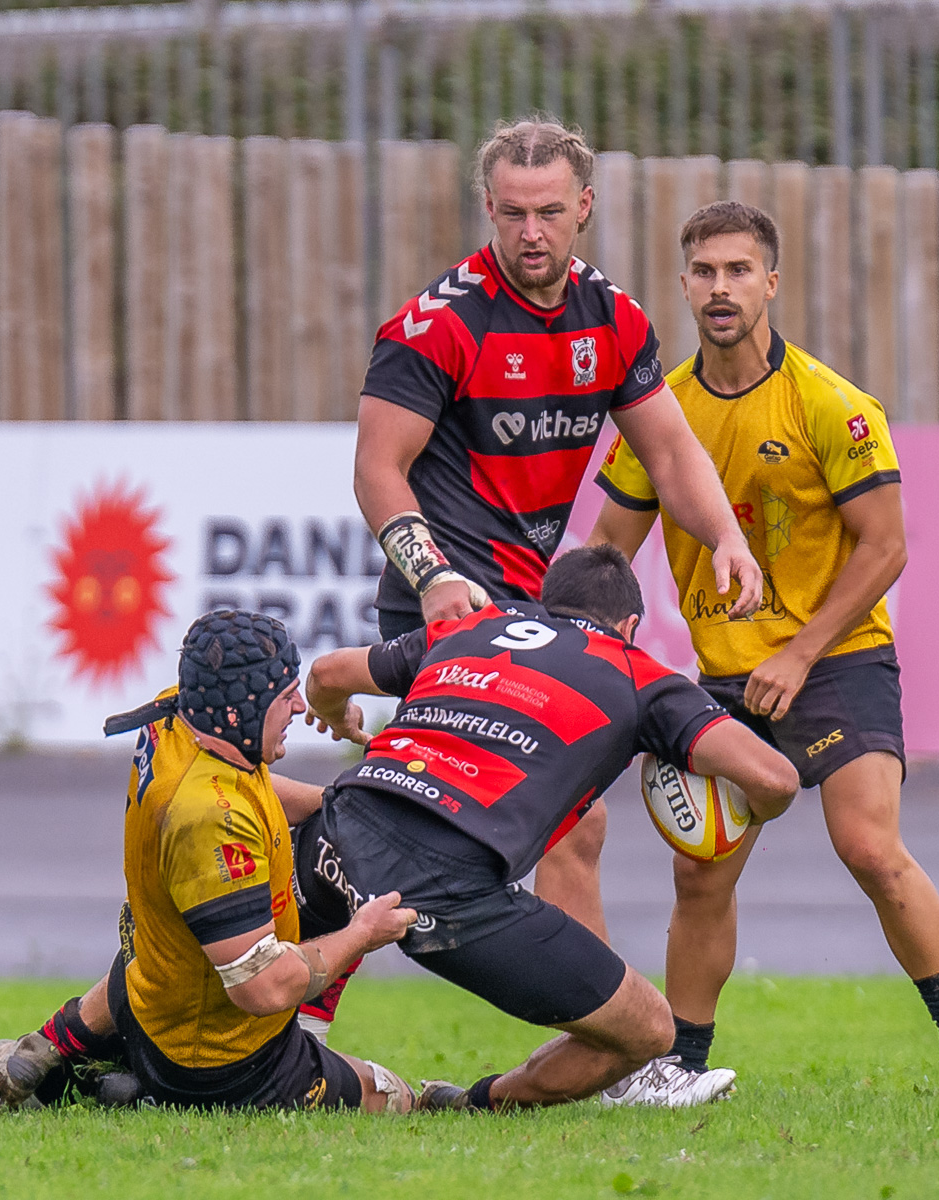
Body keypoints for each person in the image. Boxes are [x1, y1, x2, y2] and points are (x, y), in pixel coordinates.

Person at [584, 202, 939, 1106]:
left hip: (839, 660)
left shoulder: (829, 402)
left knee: (868, 847)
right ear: (683, 284)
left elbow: (886, 546)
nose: (720, 289)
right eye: (704, 272)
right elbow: (604, 559)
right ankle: (684, 1067)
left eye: (739, 271)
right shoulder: (661, 413)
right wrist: (598, 656)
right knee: (701, 870)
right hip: (723, 678)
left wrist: (799, 651)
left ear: (771, 284)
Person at [353, 115, 760, 935]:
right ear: (488, 209)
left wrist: (728, 536)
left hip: (530, 611)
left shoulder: (612, 318)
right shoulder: (437, 325)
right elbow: (376, 470)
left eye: (547, 212)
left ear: (584, 206)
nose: (530, 232)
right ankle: (608, 1046)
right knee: (562, 816)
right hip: (449, 604)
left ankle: (598, 1048)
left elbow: (673, 455)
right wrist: (432, 575)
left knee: (417, 826)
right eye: (512, 213)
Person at [297, 545, 799, 1111]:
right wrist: (740, 816)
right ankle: (475, 1104)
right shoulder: (639, 675)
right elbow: (776, 779)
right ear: (630, 626)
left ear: (545, 602)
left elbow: (325, 672)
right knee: (649, 1031)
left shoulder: (472, 628)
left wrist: (337, 715)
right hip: (447, 891)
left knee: (292, 988)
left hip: (332, 833)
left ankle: (293, 1055)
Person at [0, 612, 419, 1114]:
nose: (299, 706)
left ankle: (65, 1052)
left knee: (183, 940)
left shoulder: (177, 716)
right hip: (228, 1061)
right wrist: (363, 935)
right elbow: (261, 987)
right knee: (392, 1094)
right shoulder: (211, 821)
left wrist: (338, 801)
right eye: (284, 696)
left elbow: (254, 791)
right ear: (243, 709)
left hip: (158, 986)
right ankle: (144, 1092)